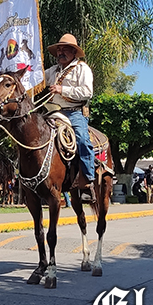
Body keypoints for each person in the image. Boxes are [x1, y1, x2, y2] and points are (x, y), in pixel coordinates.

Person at [44, 34, 97, 202]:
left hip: (75, 113)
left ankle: (88, 181)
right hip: (53, 112)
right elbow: (37, 79)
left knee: (82, 140)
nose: (61, 52)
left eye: (65, 49)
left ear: (74, 52)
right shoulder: (53, 71)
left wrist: (62, 90)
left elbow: (87, 92)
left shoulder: (82, 69)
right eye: (59, 49)